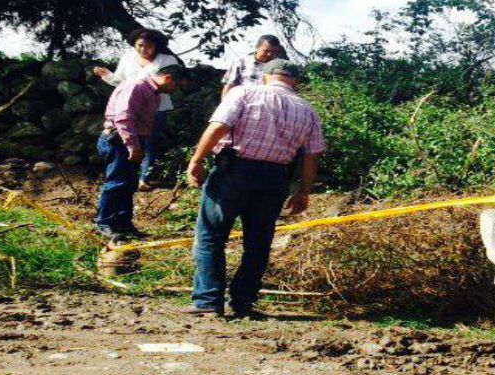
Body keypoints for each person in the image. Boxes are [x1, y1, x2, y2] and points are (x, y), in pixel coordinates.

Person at [185, 59, 325, 319]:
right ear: (295, 81)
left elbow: (218, 126)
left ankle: (207, 301)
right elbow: (310, 157)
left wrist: (197, 160)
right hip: (275, 178)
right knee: (258, 243)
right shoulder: (308, 111)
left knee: (211, 236)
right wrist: (303, 191)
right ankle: (242, 303)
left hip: (234, 171)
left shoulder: (244, 92)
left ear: (265, 76)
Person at [95, 66, 183, 240]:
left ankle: (123, 225)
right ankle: (104, 223)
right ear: (167, 78)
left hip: (132, 141)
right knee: (117, 182)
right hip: (119, 140)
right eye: (176, 85)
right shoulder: (136, 87)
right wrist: (132, 146)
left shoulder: (154, 94)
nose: (176, 90)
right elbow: (123, 117)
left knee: (128, 184)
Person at [93, 28, 179, 192]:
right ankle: (125, 173)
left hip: (157, 106)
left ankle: (144, 177)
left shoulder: (167, 60)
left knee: (150, 142)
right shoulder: (128, 56)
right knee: (126, 139)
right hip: (129, 105)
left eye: (148, 46)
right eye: (139, 45)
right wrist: (107, 76)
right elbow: (120, 80)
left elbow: (169, 83)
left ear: (157, 46)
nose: (143, 50)